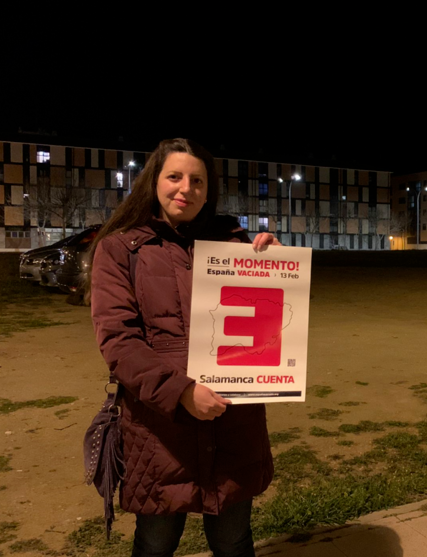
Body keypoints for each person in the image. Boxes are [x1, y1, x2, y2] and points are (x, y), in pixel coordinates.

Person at [90, 138, 279, 557]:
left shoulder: (233, 243)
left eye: (197, 180)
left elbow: (265, 328)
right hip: (160, 429)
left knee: (233, 541)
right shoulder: (120, 248)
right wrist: (181, 393)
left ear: (208, 189)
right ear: (154, 182)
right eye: (174, 176)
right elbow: (119, 341)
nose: (185, 188)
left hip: (232, 420)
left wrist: (275, 270)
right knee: (156, 542)